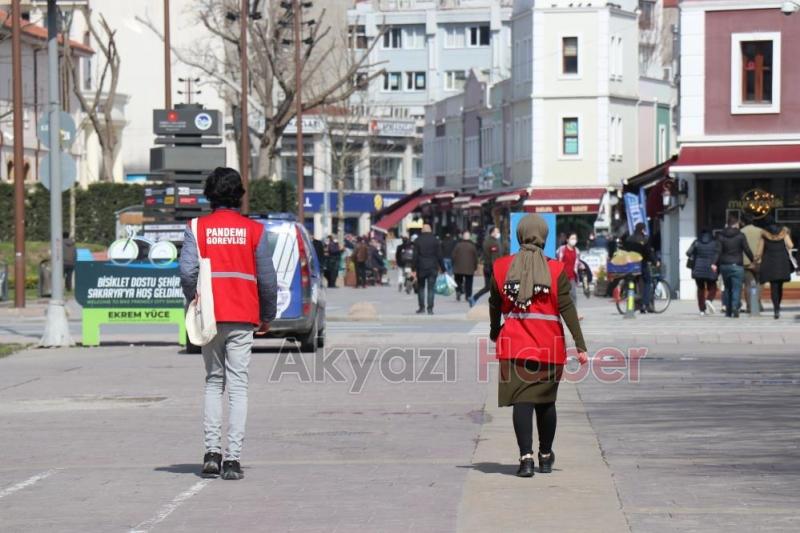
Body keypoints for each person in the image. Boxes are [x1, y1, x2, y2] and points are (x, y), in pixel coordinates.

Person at [179, 167, 278, 481]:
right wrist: (268, 315)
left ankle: (211, 454)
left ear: (209, 194)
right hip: (244, 314)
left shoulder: (196, 227)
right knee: (238, 387)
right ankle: (233, 460)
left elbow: (187, 272)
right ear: (239, 195)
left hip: (210, 314)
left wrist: (194, 300)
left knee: (213, 382)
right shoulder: (254, 230)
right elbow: (268, 279)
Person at [489, 214, 588, 478]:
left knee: (522, 400)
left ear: (519, 234)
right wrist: (580, 345)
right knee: (545, 403)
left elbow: (494, 304)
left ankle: (526, 459)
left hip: (514, 346)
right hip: (549, 346)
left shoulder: (501, 267)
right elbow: (567, 307)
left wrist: (494, 330)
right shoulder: (556, 270)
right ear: (544, 236)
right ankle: (545, 456)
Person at [756, 222, 796, 319]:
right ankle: (778, 305)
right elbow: (790, 245)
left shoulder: (764, 235)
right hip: (782, 262)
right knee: (780, 286)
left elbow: (759, 251)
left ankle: (776, 309)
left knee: (773, 287)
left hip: (769, 263)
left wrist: (757, 258)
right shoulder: (783, 233)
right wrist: (786, 235)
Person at [717, 215, 754, 318]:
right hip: (737, 265)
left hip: (725, 265)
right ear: (736, 224)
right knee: (737, 288)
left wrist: (714, 263)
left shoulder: (721, 235)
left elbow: (718, 251)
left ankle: (728, 311)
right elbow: (747, 249)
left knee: (727, 288)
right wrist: (753, 260)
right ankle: (734, 307)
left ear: (727, 224)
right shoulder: (740, 235)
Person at [686, 228, 721, 315]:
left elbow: (688, 253)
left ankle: (702, 310)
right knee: (713, 287)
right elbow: (718, 254)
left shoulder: (696, 242)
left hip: (698, 269)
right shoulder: (715, 243)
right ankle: (709, 300)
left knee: (700, 289)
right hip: (710, 268)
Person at [624, 223, 657, 313]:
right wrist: (655, 261)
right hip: (642, 264)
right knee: (648, 281)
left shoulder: (629, 238)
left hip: (631, 264)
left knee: (634, 282)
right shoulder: (644, 239)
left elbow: (625, 250)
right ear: (642, 229)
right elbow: (648, 252)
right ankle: (645, 304)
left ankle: (635, 304)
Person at [413, 224, 444, 314]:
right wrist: (443, 268)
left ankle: (421, 307)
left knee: (421, 288)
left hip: (421, 267)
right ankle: (430, 309)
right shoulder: (435, 240)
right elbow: (440, 255)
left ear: (422, 230)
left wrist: (413, 268)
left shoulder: (417, 240)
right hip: (433, 267)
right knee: (431, 288)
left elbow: (415, 256)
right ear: (430, 230)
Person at [471, 225, 504, 305]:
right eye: (497, 231)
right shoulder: (493, 243)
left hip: (487, 267)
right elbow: (494, 258)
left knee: (488, 287)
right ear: (492, 233)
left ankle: (474, 297)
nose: (498, 233)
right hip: (492, 268)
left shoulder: (487, 241)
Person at [740, 218, 763, 313]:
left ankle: (749, 306)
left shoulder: (741, 231)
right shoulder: (760, 231)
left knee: (748, 284)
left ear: (743, 222)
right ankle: (757, 304)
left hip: (745, 261)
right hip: (758, 261)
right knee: (758, 283)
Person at [556, 232, 582, 312]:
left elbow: (577, 262)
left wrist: (582, 266)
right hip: (562, 276)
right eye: (572, 238)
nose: (574, 240)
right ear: (567, 239)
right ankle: (559, 312)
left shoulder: (577, 251)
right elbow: (558, 261)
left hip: (572, 276)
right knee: (561, 295)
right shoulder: (562, 249)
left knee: (573, 295)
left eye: (575, 239)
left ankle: (574, 313)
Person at [452, 231, 479, 304]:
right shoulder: (472, 246)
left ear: (462, 237)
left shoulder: (458, 245)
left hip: (458, 267)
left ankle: (458, 291)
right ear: (469, 237)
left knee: (458, 280)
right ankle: (468, 296)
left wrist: (454, 264)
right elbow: (475, 258)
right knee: (469, 282)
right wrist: (475, 267)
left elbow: (453, 256)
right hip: (469, 268)